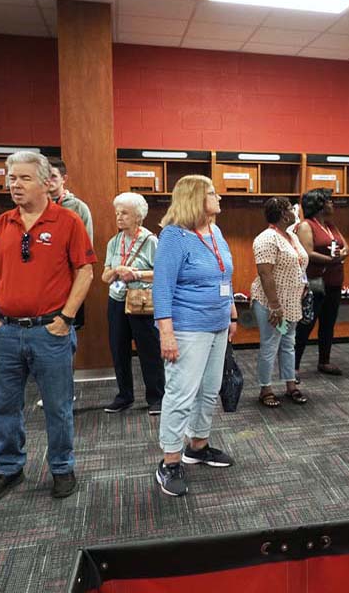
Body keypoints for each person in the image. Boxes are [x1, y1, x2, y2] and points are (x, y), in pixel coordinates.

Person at [0, 151, 95, 503]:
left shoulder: (68, 221)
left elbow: (85, 272)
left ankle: (62, 468)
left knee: (57, 406)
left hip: (50, 332)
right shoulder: (2, 224)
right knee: (3, 405)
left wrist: (65, 319)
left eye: (24, 178)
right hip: (6, 332)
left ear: (46, 182)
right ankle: (10, 468)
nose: (15, 184)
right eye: (11, 178)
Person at [152, 175, 238, 497]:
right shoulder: (174, 236)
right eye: (213, 194)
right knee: (180, 394)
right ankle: (170, 461)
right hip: (187, 327)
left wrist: (231, 313)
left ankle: (198, 446)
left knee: (209, 390)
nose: (219, 198)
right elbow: (162, 288)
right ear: (194, 198)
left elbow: (224, 275)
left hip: (217, 324)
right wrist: (166, 334)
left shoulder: (215, 231)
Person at [36, 157, 93, 407]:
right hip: (40, 288)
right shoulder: (36, 207)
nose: (49, 183)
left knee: (64, 339)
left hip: (69, 287)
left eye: (54, 178)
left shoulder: (77, 208)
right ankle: (49, 390)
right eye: (45, 178)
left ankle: (65, 391)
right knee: (42, 340)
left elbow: (85, 249)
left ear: (63, 179)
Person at [101, 192, 164, 415]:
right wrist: (116, 271)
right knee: (118, 349)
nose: (119, 217)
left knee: (149, 350)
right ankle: (124, 395)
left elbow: (161, 274)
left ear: (138, 216)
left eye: (124, 213)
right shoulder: (114, 241)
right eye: (117, 212)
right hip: (116, 301)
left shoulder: (151, 241)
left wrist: (135, 274)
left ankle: (157, 397)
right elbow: (104, 276)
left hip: (141, 302)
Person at [251, 197, 309, 408]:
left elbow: (299, 265)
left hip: (292, 302)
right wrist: (275, 306)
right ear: (284, 215)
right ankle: (265, 389)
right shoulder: (266, 239)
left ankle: (290, 385)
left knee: (288, 343)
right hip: (271, 302)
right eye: (291, 209)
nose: (295, 211)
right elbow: (265, 274)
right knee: (270, 344)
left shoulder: (291, 236)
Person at [294, 188, 349, 379]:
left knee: (328, 324)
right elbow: (307, 253)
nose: (332, 204)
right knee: (305, 326)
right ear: (318, 205)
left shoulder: (330, 225)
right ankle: (293, 368)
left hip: (334, 283)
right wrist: (332, 260)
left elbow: (345, 245)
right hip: (315, 284)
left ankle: (324, 361)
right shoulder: (306, 226)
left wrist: (343, 254)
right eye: (328, 201)